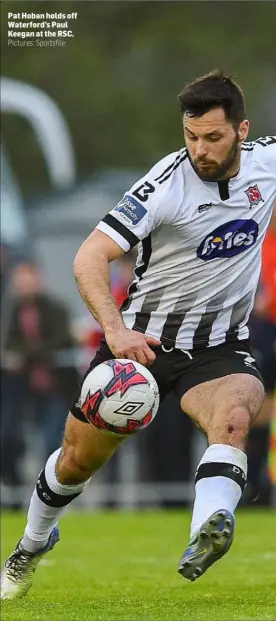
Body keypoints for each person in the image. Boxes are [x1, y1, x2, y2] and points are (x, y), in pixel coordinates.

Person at [1, 70, 275, 599]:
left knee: (236, 416)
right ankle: (29, 548)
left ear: (242, 129)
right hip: (139, 346)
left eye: (213, 137)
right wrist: (115, 329)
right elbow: (88, 257)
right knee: (77, 461)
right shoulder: (165, 185)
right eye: (191, 136)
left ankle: (208, 528)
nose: (199, 148)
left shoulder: (266, 161)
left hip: (218, 346)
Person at [1, 260, 79, 496]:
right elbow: (7, 345)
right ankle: (13, 492)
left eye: (29, 278)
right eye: (20, 279)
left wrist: (23, 356)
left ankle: (50, 494)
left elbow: (60, 341)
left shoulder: (57, 309)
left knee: (51, 441)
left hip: (55, 387)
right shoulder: (9, 312)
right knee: (8, 437)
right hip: (19, 388)